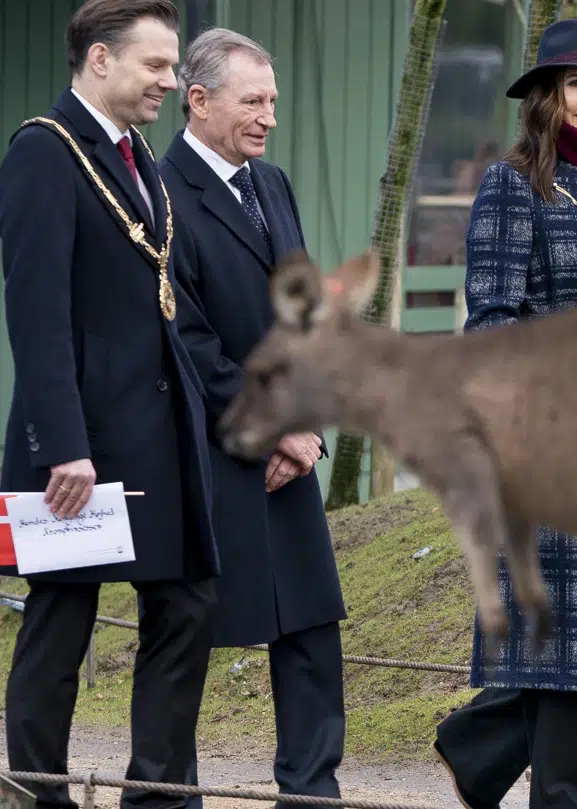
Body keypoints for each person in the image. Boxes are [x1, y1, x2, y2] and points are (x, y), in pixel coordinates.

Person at [430, 18, 577, 809]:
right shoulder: (513, 181)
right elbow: (491, 319)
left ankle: (478, 746)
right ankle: (572, 799)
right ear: (546, 97)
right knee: (563, 635)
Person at [0, 3, 220, 809]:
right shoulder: (43, 152)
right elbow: (36, 311)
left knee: (188, 602)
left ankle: (157, 797)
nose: (171, 80)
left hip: (158, 435)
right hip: (81, 443)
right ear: (100, 60)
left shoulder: (136, 155)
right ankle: (36, 793)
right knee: (60, 623)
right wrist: (62, 441)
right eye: (157, 66)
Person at [159, 28, 347, 809]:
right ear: (197, 101)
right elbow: (188, 337)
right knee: (185, 641)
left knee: (310, 630)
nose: (268, 116)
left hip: (289, 448)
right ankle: (166, 793)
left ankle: (311, 791)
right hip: (209, 453)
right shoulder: (161, 194)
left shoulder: (271, 185)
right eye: (252, 101)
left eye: (272, 100)